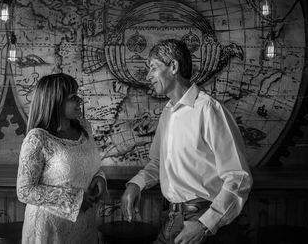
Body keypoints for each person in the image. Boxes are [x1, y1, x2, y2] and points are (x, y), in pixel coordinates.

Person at [121, 39, 253, 244]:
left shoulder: (209, 110)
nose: (148, 76)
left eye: (153, 68)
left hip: (201, 220)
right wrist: (135, 185)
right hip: (171, 219)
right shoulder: (167, 112)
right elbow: (157, 163)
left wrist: (205, 224)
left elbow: (238, 177)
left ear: (173, 67)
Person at [17, 73, 107, 244]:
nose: (80, 100)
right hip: (49, 230)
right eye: (73, 97)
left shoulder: (85, 128)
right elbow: (25, 190)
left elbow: (92, 165)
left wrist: (99, 178)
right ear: (55, 101)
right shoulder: (37, 138)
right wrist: (75, 199)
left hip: (83, 224)